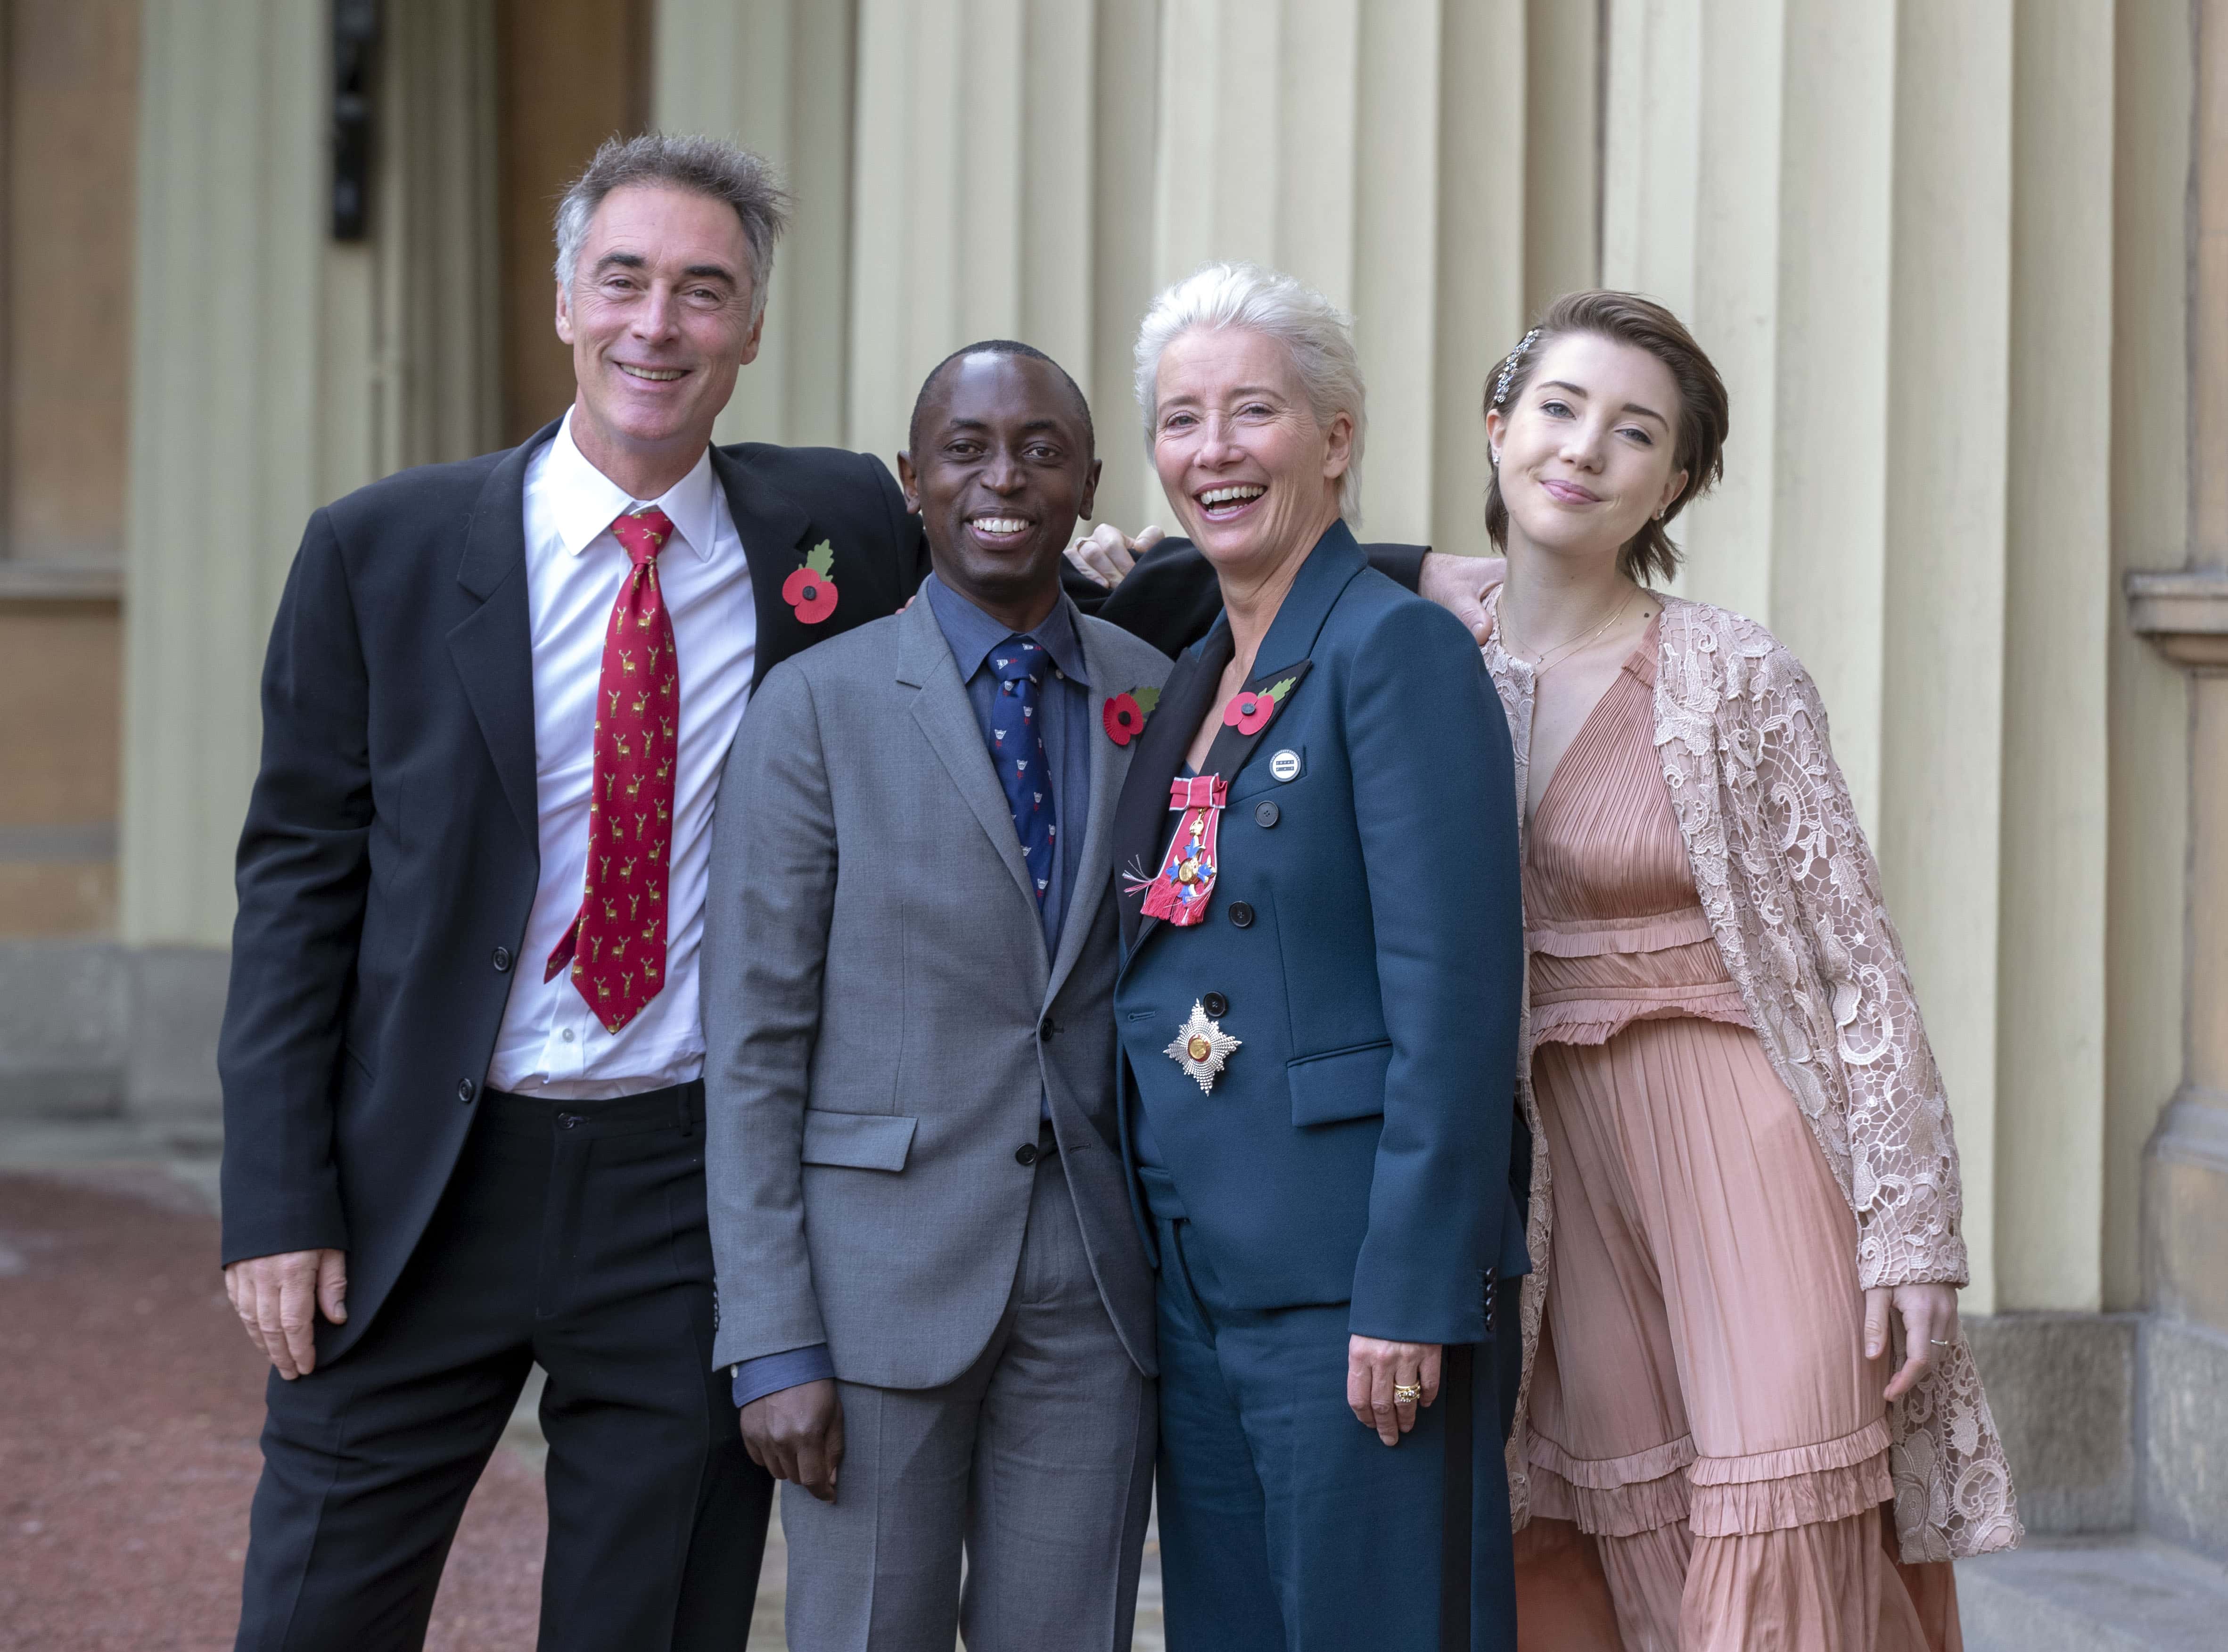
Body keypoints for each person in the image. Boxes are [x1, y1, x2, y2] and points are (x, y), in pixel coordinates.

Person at [215, 133, 956, 1650]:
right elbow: (297, 884)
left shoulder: (834, 531)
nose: (657, 325)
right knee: (314, 1613)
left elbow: (1043, 567)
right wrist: (277, 1199)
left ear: (751, 330)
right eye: (624, 279)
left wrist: (1419, 570)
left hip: (688, 1195)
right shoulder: (384, 552)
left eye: (704, 291)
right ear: (564, 301)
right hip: (421, 1181)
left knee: (650, 1623)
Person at [1457, 291, 2019, 1651]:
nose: (1585, 449)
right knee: (1621, 1539)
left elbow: (1855, 965)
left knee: (1779, 1510)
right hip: (1564, 1180)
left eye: (1635, 432)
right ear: (1497, 427)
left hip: (1753, 1140)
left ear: (1677, 480)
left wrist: (1913, 1232)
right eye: (1559, 409)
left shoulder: (1728, 672)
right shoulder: (1427, 665)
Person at [699, 341, 1168, 1650]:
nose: (1001, 477)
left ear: (1087, 481)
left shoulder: (1159, 698)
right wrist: (773, 1340)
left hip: (1093, 1290)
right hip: (868, 1301)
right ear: (912, 481)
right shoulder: (813, 709)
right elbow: (752, 1047)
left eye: (1039, 448)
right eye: (965, 448)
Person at [1110, 262, 1527, 1651]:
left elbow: (1455, 1006)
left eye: (1252, 413)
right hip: (1198, 1276)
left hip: (1354, 1290)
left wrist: (1414, 1288)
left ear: (1336, 439)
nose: (1212, 452)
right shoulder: (1191, 668)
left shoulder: (1396, 652)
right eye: (1180, 420)